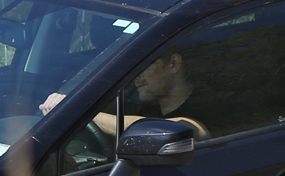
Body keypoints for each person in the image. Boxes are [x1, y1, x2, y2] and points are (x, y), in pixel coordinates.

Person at [40, 50, 208, 139]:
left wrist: (76, 111)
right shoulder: (133, 102)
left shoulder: (207, 104)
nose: (135, 76)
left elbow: (193, 131)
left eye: (142, 66)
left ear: (174, 64)